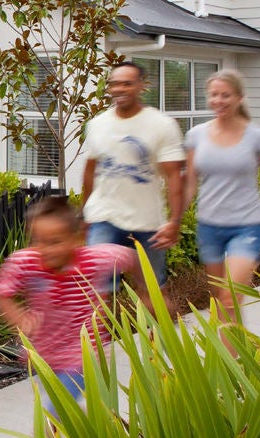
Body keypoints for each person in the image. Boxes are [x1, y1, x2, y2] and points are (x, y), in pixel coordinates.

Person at [0, 196, 137, 418]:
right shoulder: (26, 263)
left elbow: (134, 258)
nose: (45, 249)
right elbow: (0, 294)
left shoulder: (96, 260)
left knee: (56, 412)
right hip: (45, 354)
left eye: (55, 241)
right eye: (38, 240)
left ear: (76, 239)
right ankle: (84, 422)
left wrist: (146, 293)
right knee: (64, 402)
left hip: (84, 353)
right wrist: (20, 319)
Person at [183, 69, 260, 333]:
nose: (219, 100)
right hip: (208, 227)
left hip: (247, 227)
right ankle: (227, 362)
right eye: (214, 95)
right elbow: (190, 183)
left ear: (239, 98)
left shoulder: (259, 137)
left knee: (230, 298)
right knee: (218, 302)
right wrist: (174, 220)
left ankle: (233, 366)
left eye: (226, 95)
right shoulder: (196, 135)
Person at [82, 61, 186, 297]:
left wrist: (174, 221)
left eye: (127, 83)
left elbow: (173, 176)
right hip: (104, 217)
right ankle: (100, 335)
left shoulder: (162, 124)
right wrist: (84, 213)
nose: (119, 89)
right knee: (98, 291)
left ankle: (159, 334)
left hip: (148, 221)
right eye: (114, 84)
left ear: (141, 86)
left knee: (152, 291)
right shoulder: (98, 124)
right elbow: (90, 170)